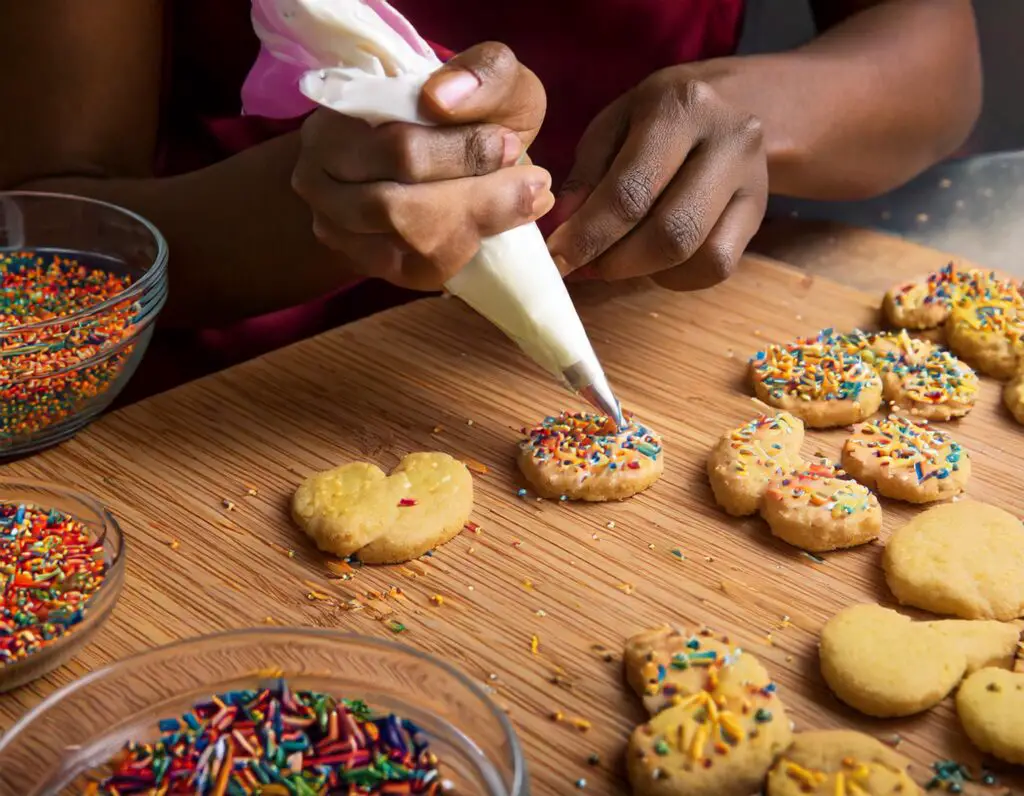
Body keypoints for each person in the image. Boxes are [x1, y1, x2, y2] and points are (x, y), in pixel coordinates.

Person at [0, 0, 981, 392]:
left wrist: (757, 105)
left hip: (644, 326)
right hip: (234, 397)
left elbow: (938, 58)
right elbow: (44, 225)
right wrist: (312, 212)